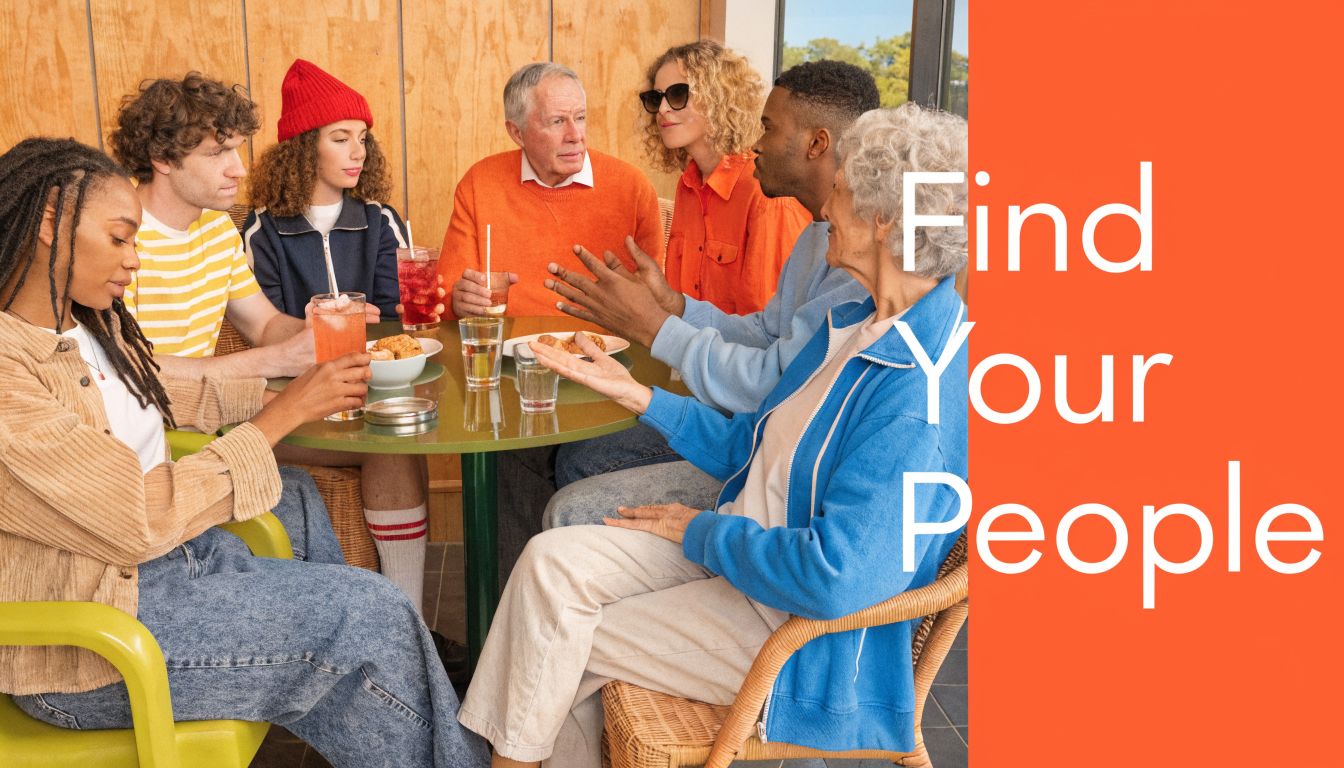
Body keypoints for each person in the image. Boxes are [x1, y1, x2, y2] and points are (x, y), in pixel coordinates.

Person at [458, 103, 970, 768]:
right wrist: (635, 393)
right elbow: (755, 446)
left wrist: (700, 532)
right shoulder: (854, 322)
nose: (825, 210)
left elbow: (836, 580)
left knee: (560, 637)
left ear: (882, 222)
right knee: (552, 563)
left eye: (840, 191)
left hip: (804, 637)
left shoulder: (916, 391)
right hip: (746, 558)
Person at [0, 137, 486, 768]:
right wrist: (281, 415)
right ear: (47, 224)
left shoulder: (87, 323)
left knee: (315, 528)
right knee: (367, 616)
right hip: (89, 648)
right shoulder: (11, 373)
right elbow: (136, 518)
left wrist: (296, 391)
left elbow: (167, 392)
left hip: (160, 570)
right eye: (120, 238)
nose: (135, 260)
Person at [109, 72, 442, 636]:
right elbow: (128, 372)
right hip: (167, 441)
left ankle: (404, 624)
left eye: (237, 150)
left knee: (390, 436)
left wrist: (321, 327)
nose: (239, 169)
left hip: (222, 414)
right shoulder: (119, 241)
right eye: (219, 153)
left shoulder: (215, 232)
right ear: (163, 159)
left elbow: (264, 325)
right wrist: (270, 363)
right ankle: (353, 627)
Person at [545, 60, 878, 501]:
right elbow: (765, 331)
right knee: (565, 447)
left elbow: (771, 384)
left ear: (817, 143)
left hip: (770, 447)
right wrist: (673, 305)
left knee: (579, 462)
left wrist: (655, 326)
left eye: (769, 128)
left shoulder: (857, 257)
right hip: (735, 407)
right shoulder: (819, 231)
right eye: (655, 98)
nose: (756, 144)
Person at [441, 62, 664, 319]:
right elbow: (450, 296)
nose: (575, 135)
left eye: (580, 118)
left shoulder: (632, 187)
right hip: (509, 352)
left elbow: (657, 303)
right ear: (517, 133)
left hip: (608, 351)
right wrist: (460, 303)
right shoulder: (479, 183)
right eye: (557, 121)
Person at [640, 40, 809, 315]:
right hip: (688, 352)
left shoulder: (766, 190)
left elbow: (769, 327)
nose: (662, 109)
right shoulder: (688, 184)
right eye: (655, 98)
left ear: (719, 97)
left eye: (678, 94)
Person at [244, 59, 408, 321]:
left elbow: (394, 318)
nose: (359, 153)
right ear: (304, 149)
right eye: (341, 139)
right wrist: (328, 326)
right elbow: (267, 329)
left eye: (363, 138)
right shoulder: (263, 229)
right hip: (301, 362)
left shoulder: (381, 220)